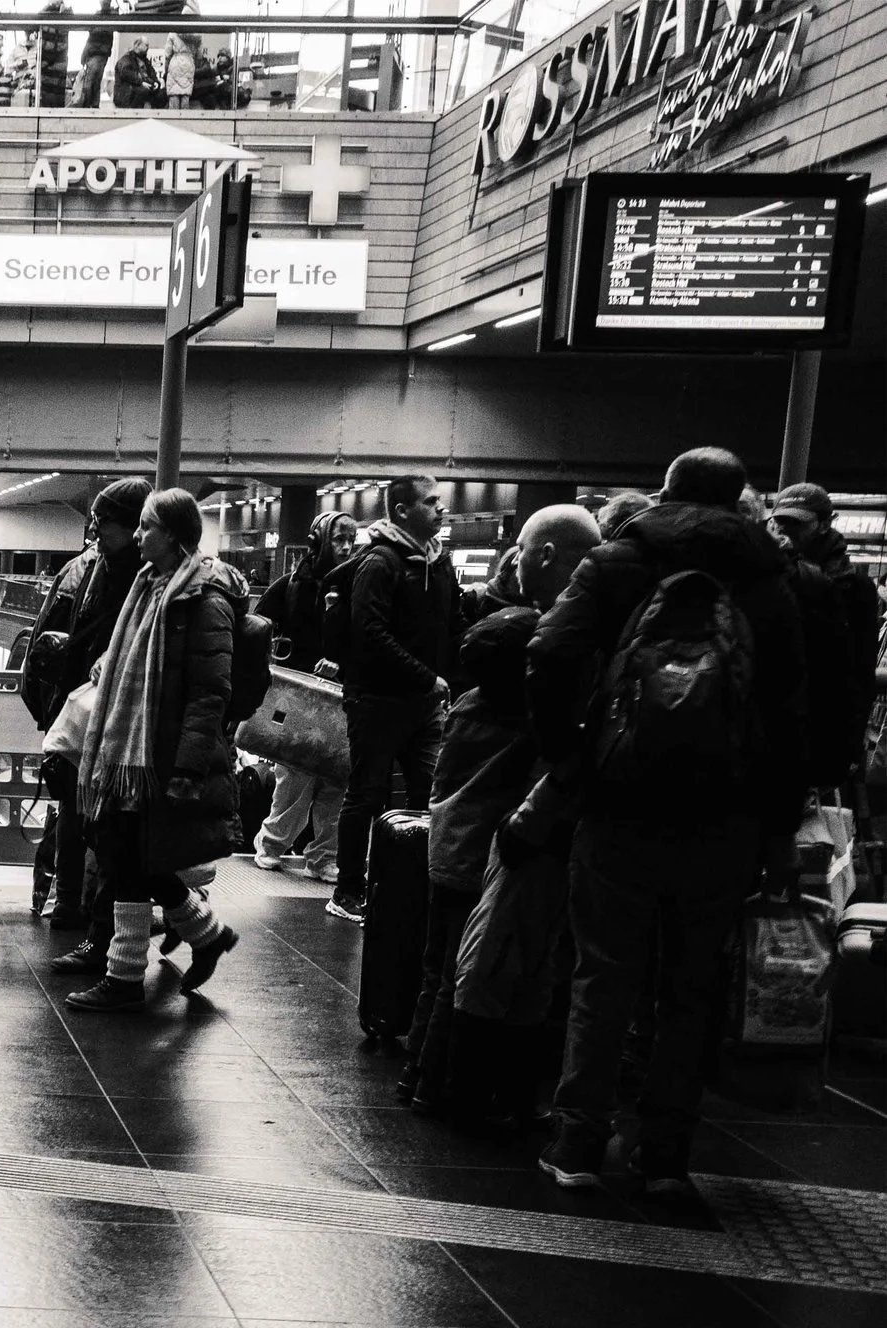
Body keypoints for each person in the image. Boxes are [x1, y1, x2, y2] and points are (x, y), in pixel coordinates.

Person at [525, 447, 807, 1195]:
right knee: (691, 986)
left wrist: (570, 757)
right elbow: (796, 709)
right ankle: (665, 1156)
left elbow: (549, 651)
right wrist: (778, 822)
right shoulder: (770, 577)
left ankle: (578, 1143)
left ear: (666, 491)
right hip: (727, 811)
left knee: (603, 974)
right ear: (740, 498)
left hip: (620, 798)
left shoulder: (621, 560)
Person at [406, 504, 596, 1112]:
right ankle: (456, 1086)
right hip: (488, 857)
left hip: (446, 847)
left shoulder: (463, 711)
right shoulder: (527, 725)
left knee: (436, 970)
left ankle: (419, 1076)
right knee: (478, 972)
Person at [60, 488, 244, 1011]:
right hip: (131, 754)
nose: (138, 536)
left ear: (176, 534)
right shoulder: (150, 585)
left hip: (161, 758)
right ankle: (208, 937)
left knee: (129, 861)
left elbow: (211, 693)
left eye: (147, 527)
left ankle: (124, 980)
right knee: (129, 856)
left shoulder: (203, 597)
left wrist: (186, 770)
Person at [327, 474, 456, 923]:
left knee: (430, 792)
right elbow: (370, 633)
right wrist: (428, 677)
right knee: (365, 794)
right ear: (402, 510)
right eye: (431, 502)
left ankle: (408, 885)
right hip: (376, 701)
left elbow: (448, 631)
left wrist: (444, 680)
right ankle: (347, 891)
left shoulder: (437, 564)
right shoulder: (380, 563)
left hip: (424, 704)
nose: (441, 508)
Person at [30, 479, 150, 925]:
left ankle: (94, 921)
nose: (95, 533)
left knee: (107, 822)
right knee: (84, 812)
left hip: (117, 717)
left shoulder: (145, 580)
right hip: (89, 709)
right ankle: (77, 911)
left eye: (104, 524)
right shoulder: (103, 568)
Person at [248, 511, 352, 883]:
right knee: (295, 776)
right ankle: (273, 845)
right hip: (300, 698)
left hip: (342, 697)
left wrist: (344, 662)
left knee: (336, 782)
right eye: (338, 539)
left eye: (349, 540)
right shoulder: (293, 585)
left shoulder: (356, 585)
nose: (345, 547)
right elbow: (256, 626)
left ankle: (323, 857)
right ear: (319, 541)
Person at [769, 482, 879, 793]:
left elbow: (860, 667)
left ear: (825, 523)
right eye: (781, 522)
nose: (786, 531)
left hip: (824, 719)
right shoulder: (772, 573)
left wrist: (853, 734)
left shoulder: (855, 588)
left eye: (797, 523)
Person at [76, 0, 116, 104]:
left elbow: (93, 36)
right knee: (93, 80)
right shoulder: (105, 16)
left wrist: (85, 52)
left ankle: (88, 104)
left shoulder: (107, 17)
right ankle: (92, 104)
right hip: (96, 52)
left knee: (91, 80)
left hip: (97, 52)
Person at [35, 0, 71, 104]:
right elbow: (35, 21)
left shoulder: (66, 12)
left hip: (58, 61)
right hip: (46, 61)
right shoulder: (45, 12)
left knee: (57, 93)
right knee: (45, 93)